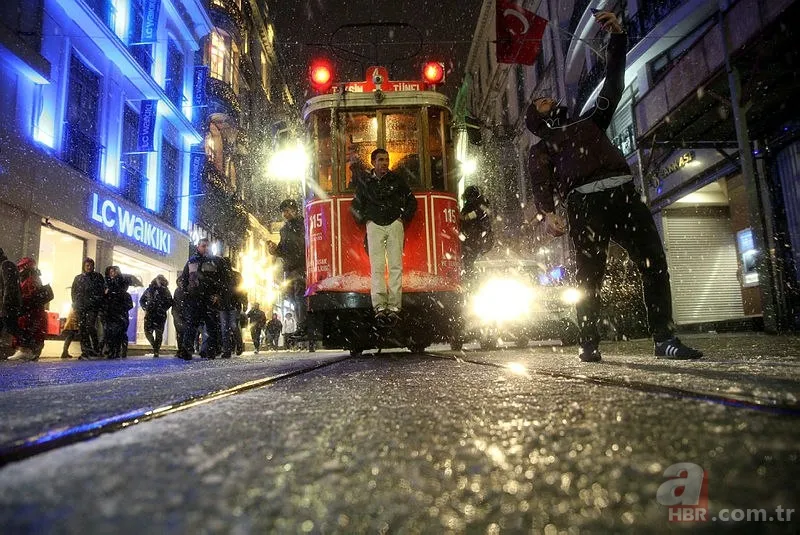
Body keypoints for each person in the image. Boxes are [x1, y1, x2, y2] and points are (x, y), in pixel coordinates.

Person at [525, 10, 702, 363]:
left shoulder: (591, 121)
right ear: (536, 117)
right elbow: (540, 185)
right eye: (542, 101)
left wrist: (618, 37)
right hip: (585, 205)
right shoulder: (541, 147)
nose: (549, 98)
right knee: (589, 278)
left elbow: (614, 84)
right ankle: (588, 342)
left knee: (654, 263)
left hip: (623, 195)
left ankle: (664, 338)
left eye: (549, 97)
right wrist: (547, 214)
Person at [350, 148, 417, 322]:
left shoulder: (394, 179)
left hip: (392, 223)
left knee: (394, 266)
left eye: (386, 160)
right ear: (373, 162)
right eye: (381, 160)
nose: (384, 163)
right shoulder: (368, 181)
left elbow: (411, 200)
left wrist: (401, 219)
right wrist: (367, 220)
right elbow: (355, 206)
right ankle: (381, 305)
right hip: (379, 224)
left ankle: (392, 306)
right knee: (378, 267)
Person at [267, 199, 307, 337]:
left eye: (288, 210)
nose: (286, 213)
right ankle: (301, 324)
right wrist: (275, 250)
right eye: (283, 211)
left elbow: (303, 244)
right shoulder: (284, 229)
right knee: (291, 297)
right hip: (289, 267)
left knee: (299, 295)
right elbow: (283, 249)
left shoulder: (304, 224)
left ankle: (303, 325)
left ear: (295, 210)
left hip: (301, 265)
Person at [179, 238, 223, 360]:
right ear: (198, 246)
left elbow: (218, 281)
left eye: (207, 246)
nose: (206, 248)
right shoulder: (192, 261)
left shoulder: (213, 262)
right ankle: (187, 351)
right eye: (203, 246)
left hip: (208, 298)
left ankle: (210, 351)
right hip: (194, 298)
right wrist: (186, 292)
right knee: (192, 325)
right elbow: (184, 278)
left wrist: (216, 294)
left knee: (211, 326)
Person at [9, 258, 48, 361]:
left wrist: (20, 300)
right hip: (31, 312)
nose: (20, 270)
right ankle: (29, 352)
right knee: (31, 333)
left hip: (31, 313)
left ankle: (26, 351)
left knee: (29, 332)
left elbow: (32, 296)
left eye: (21, 267)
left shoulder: (31, 279)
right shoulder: (31, 278)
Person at [71, 258, 106, 360]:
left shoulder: (97, 277)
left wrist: (97, 301)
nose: (89, 267)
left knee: (90, 326)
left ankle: (95, 348)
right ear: (84, 266)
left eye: (91, 265)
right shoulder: (78, 278)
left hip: (92, 307)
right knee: (82, 329)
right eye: (87, 265)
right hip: (81, 307)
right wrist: (75, 304)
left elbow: (101, 291)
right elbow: (74, 292)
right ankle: (85, 350)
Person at [460, 185, 494, 278]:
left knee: (469, 260)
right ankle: (471, 277)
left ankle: (471, 277)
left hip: (476, 239)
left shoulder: (479, 204)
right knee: (469, 261)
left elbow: (479, 212)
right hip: (476, 240)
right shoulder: (477, 205)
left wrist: (466, 217)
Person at [101, 266, 133, 360]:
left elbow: (128, 304)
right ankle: (112, 351)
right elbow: (104, 299)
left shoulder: (122, 289)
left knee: (119, 333)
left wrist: (121, 308)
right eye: (111, 271)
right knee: (110, 333)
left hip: (119, 313)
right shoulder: (106, 284)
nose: (113, 273)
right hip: (110, 313)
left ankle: (117, 351)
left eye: (114, 271)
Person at [140, 275, 173, 358]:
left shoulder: (166, 290)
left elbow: (170, 302)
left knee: (159, 334)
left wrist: (163, 309)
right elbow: (142, 300)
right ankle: (154, 345)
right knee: (147, 332)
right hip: (150, 313)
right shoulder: (149, 289)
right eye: (158, 279)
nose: (159, 281)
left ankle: (156, 350)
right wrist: (145, 308)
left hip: (160, 315)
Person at [0, 247, 21, 359]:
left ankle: (24, 348)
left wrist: (5, 303)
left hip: (8, 305)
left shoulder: (5, 265)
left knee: (11, 327)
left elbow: (9, 287)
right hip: (7, 305)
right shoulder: (5, 265)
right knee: (10, 327)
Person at [172, 276, 186, 356]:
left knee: (183, 333)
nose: (180, 283)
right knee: (179, 333)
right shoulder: (177, 290)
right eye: (179, 281)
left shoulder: (186, 290)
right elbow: (175, 302)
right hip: (178, 314)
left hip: (183, 314)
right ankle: (180, 349)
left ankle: (183, 349)